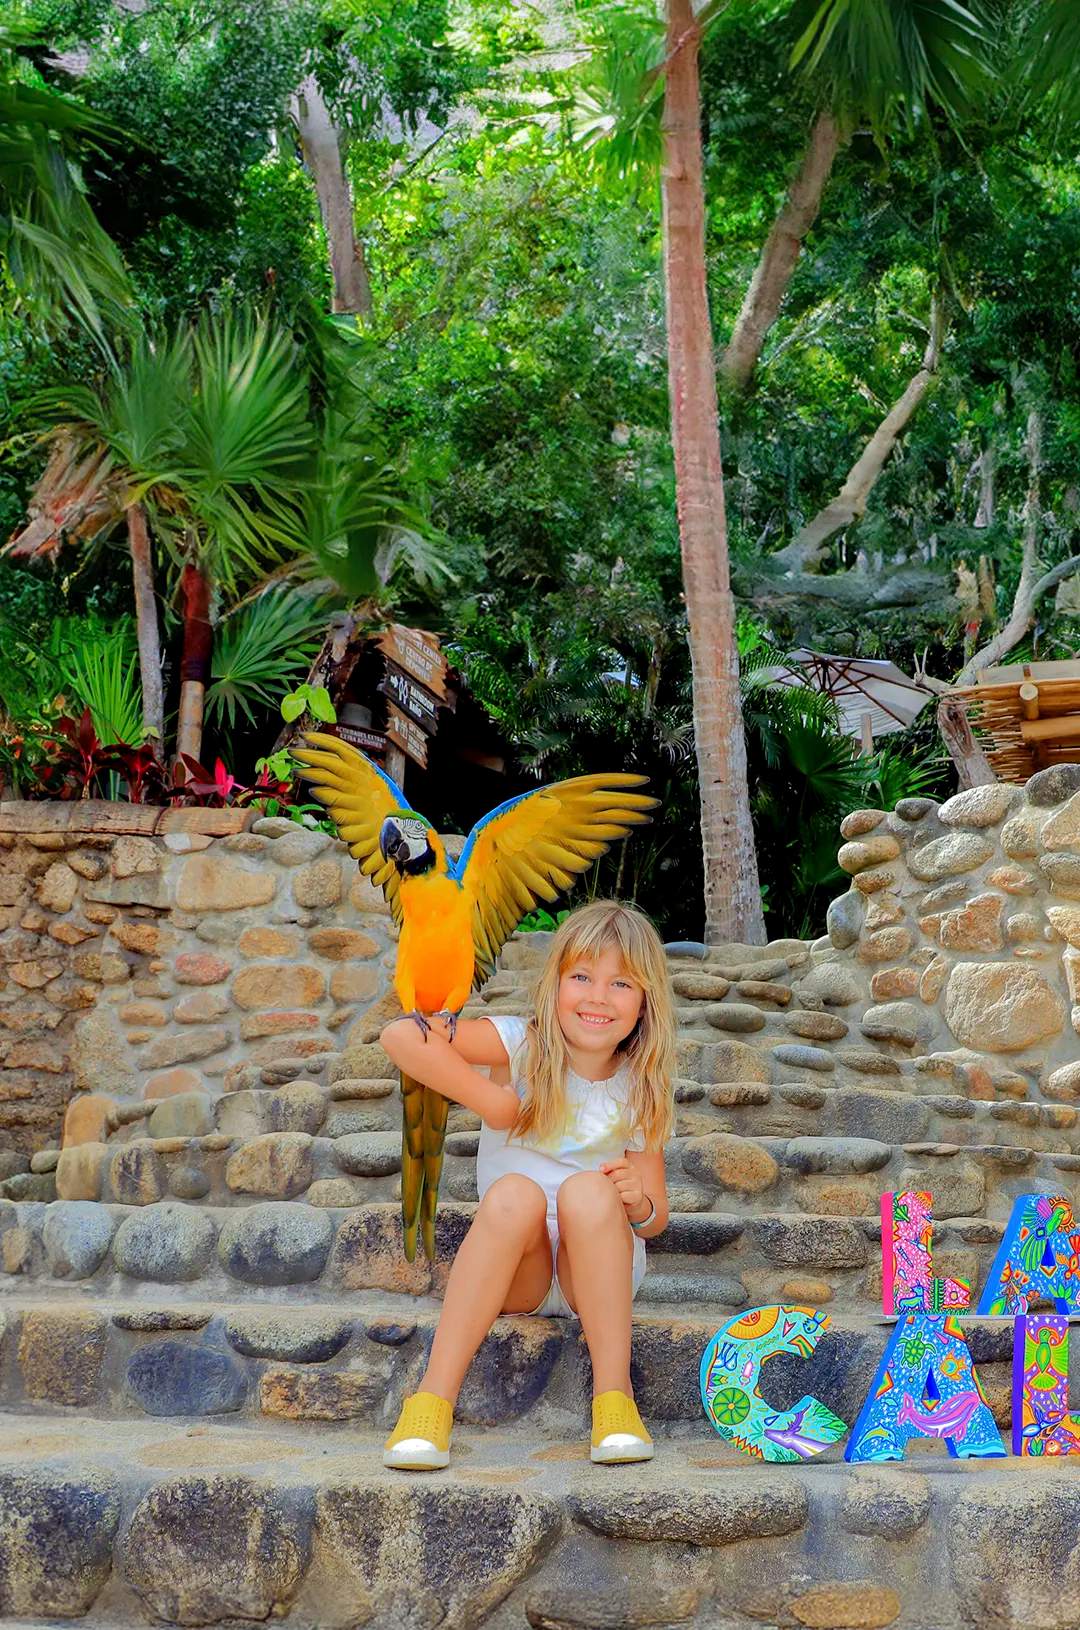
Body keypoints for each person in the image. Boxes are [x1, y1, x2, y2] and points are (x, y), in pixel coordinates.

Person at [379, 898, 676, 1470]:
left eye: (620, 984)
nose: (596, 996)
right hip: (523, 1269)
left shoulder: (639, 1085)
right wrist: (493, 1101)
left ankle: (615, 1401)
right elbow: (401, 1036)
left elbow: (657, 1217)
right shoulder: (519, 1044)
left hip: (600, 1272)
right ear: (555, 983)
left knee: (587, 1191)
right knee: (516, 1193)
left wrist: (638, 1202)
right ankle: (430, 1404)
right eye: (582, 977)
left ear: (644, 1004)